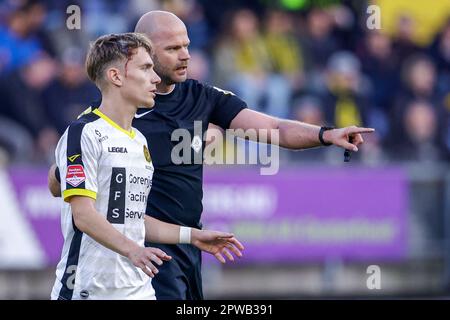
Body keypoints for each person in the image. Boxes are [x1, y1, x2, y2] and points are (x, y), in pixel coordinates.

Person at [50, 11, 374, 300]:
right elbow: (65, 185)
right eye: (173, 49)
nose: (185, 56)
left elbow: (272, 127)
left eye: (187, 46)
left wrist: (325, 134)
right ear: (144, 51)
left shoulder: (200, 97)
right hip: (139, 253)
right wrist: (75, 162)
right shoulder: (106, 120)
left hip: (187, 242)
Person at [51, 32, 243, 300]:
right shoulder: (85, 133)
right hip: (88, 290)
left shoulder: (138, 140)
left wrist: (193, 236)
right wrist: (133, 250)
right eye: (145, 68)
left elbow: (131, 219)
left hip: (138, 290)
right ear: (116, 77)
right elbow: (83, 215)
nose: (155, 78)